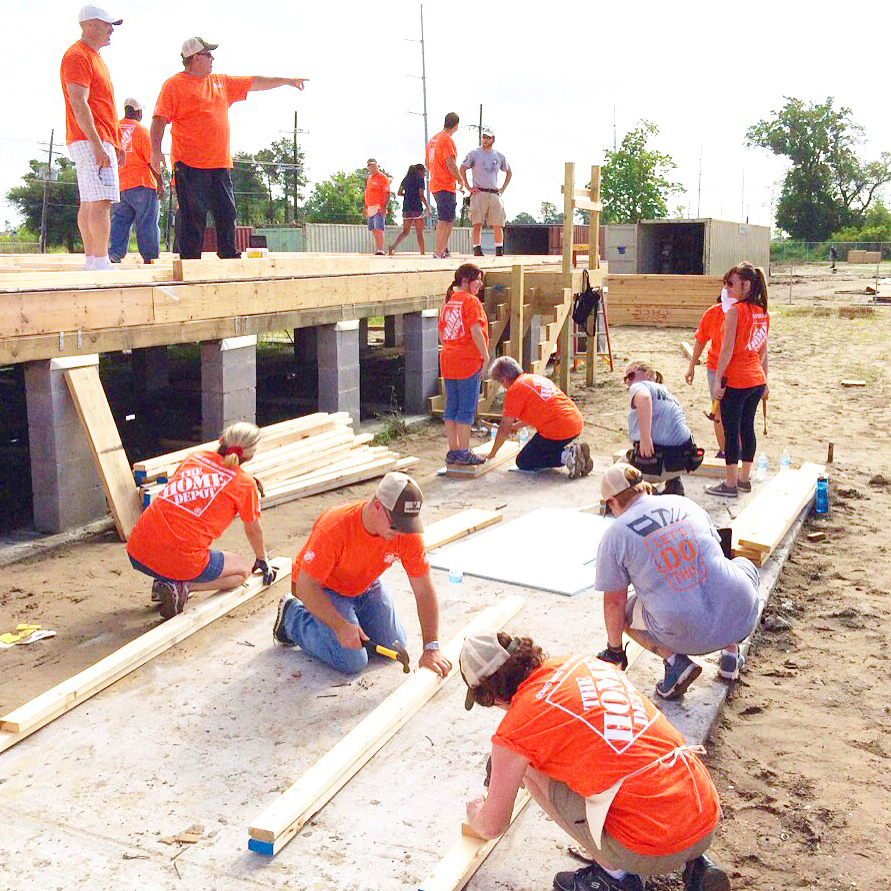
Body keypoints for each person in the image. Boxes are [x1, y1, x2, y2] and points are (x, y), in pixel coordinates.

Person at [460, 630, 731, 891]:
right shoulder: (584, 664)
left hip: (652, 846)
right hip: (703, 817)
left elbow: (492, 826)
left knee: (530, 768)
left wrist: (476, 814)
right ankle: (697, 865)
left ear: (490, 695)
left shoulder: (517, 730)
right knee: (631, 758)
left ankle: (614, 877)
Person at [595, 463, 759, 699]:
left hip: (687, 633)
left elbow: (613, 602)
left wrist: (614, 651)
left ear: (612, 501)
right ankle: (731, 656)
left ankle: (675, 662)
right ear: (645, 487)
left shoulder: (616, 534)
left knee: (627, 610)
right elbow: (718, 552)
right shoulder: (683, 503)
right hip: (740, 614)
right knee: (740, 567)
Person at [272, 473, 451, 677]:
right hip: (325, 588)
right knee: (351, 661)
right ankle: (292, 616)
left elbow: (424, 590)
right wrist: (340, 626)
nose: (401, 532)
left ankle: (354, 620)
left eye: (407, 524)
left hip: (365, 585)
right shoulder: (335, 527)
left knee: (395, 646)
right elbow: (305, 586)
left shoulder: (406, 534)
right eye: (396, 524)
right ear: (377, 506)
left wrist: (431, 647)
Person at [151, 37, 306, 260]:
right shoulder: (174, 85)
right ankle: (189, 264)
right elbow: (158, 120)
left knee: (227, 214)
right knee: (193, 218)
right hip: (190, 165)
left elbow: (254, 82)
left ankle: (229, 260)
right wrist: (155, 152)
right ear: (195, 58)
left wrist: (286, 80)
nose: (213, 58)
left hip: (220, 165)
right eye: (208, 54)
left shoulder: (220, 82)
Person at [126, 422, 277, 620]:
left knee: (173, 532)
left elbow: (206, 482)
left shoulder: (194, 459)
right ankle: (182, 586)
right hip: (180, 560)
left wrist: (246, 479)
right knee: (242, 571)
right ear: (250, 456)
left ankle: (163, 582)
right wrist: (262, 559)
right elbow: (253, 529)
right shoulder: (244, 485)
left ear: (221, 440)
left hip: (138, 551)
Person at [60, 5, 124, 271]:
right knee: (101, 201)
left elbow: (103, 105)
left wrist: (115, 142)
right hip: (91, 139)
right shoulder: (78, 56)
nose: (111, 30)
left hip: (98, 138)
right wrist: (98, 144)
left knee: (90, 200)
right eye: (108, 24)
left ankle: (92, 261)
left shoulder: (94, 58)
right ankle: (100, 261)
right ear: (90, 25)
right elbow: (79, 102)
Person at [706, 263, 769, 498]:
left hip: (737, 379)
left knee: (732, 431)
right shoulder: (762, 312)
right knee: (747, 428)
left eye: (730, 284)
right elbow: (762, 350)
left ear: (746, 284)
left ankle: (730, 483)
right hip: (755, 379)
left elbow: (726, 350)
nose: (727, 289)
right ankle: (744, 478)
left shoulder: (735, 312)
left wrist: (718, 380)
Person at [486, 356, 592, 478]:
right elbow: (538, 411)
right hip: (575, 422)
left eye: (500, 383)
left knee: (524, 461)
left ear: (504, 379)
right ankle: (578, 456)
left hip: (558, 428)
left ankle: (567, 456)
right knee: (541, 448)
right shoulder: (534, 379)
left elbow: (504, 428)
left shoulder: (514, 390)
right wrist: (516, 426)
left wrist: (492, 454)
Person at [622, 360, 698, 497]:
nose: (628, 382)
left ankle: (649, 493)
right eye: (625, 378)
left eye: (631, 376)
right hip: (684, 462)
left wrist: (645, 438)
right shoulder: (670, 396)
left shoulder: (640, 386)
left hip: (656, 465)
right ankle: (674, 486)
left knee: (616, 473)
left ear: (649, 375)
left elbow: (644, 398)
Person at [438, 264, 489, 465]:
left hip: (448, 360)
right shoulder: (471, 301)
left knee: (451, 406)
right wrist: (485, 357)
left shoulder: (448, 303)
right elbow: (476, 331)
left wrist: (453, 348)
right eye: (478, 279)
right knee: (466, 409)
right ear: (466, 281)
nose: (481, 284)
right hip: (468, 363)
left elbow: (442, 334)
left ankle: (453, 450)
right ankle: (465, 451)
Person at [109, 97, 164, 264]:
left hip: (120, 185)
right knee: (147, 222)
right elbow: (152, 160)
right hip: (142, 184)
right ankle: (150, 258)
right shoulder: (141, 131)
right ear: (139, 112)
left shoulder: (114, 129)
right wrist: (160, 182)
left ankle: (114, 254)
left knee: (120, 221)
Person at [685, 290, 733, 457]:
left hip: (736, 368)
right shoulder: (712, 314)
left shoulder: (742, 312)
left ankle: (736, 451)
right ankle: (724, 450)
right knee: (717, 409)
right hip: (714, 366)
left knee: (734, 412)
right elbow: (700, 341)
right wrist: (692, 366)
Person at [460, 129, 511, 257]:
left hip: (494, 193)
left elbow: (509, 172)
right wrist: (468, 187)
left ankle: (499, 250)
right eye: (483, 137)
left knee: (498, 223)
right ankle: (477, 249)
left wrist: (502, 189)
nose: (485, 140)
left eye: (488, 138)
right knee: (477, 222)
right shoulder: (474, 154)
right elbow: (462, 169)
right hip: (479, 192)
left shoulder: (499, 156)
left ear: (493, 140)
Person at [426, 112, 465, 259]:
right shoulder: (446, 140)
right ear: (456, 125)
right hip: (445, 184)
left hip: (435, 183)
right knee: (446, 220)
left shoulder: (433, 140)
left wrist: (436, 172)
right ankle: (439, 251)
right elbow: (450, 163)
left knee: (445, 217)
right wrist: (460, 179)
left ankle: (442, 250)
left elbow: (427, 162)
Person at [388, 164, 430, 255]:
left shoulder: (405, 179)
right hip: (416, 208)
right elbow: (421, 195)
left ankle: (393, 247)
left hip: (406, 208)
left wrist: (407, 195)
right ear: (420, 171)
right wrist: (428, 208)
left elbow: (399, 193)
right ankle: (422, 252)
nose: (425, 173)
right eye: (424, 171)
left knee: (405, 232)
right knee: (419, 233)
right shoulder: (420, 180)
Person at [362, 158, 390, 256]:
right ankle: (378, 248)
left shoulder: (383, 177)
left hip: (379, 206)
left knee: (379, 228)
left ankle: (381, 249)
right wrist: (365, 208)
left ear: (377, 166)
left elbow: (387, 193)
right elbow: (367, 194)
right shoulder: (369, 178)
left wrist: (384, 206)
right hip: (370, 207)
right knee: (373, 229)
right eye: (370, 166)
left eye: (374, 166)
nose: (372, 168)